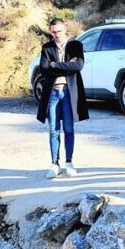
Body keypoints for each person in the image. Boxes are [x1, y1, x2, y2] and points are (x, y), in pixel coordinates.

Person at [36, 18, 89, 178]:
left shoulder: (75, 46)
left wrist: (55, 65)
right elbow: (44, 69)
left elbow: (78, 66)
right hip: (52, 92)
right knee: (53, 130)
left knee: (69, 129)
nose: (56, 35)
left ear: (65, 29)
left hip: (69, 92)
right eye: (53, 32)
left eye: (58, 31)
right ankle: (54, 164)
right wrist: (64, 66)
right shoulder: (47, 48)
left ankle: (69, 162)